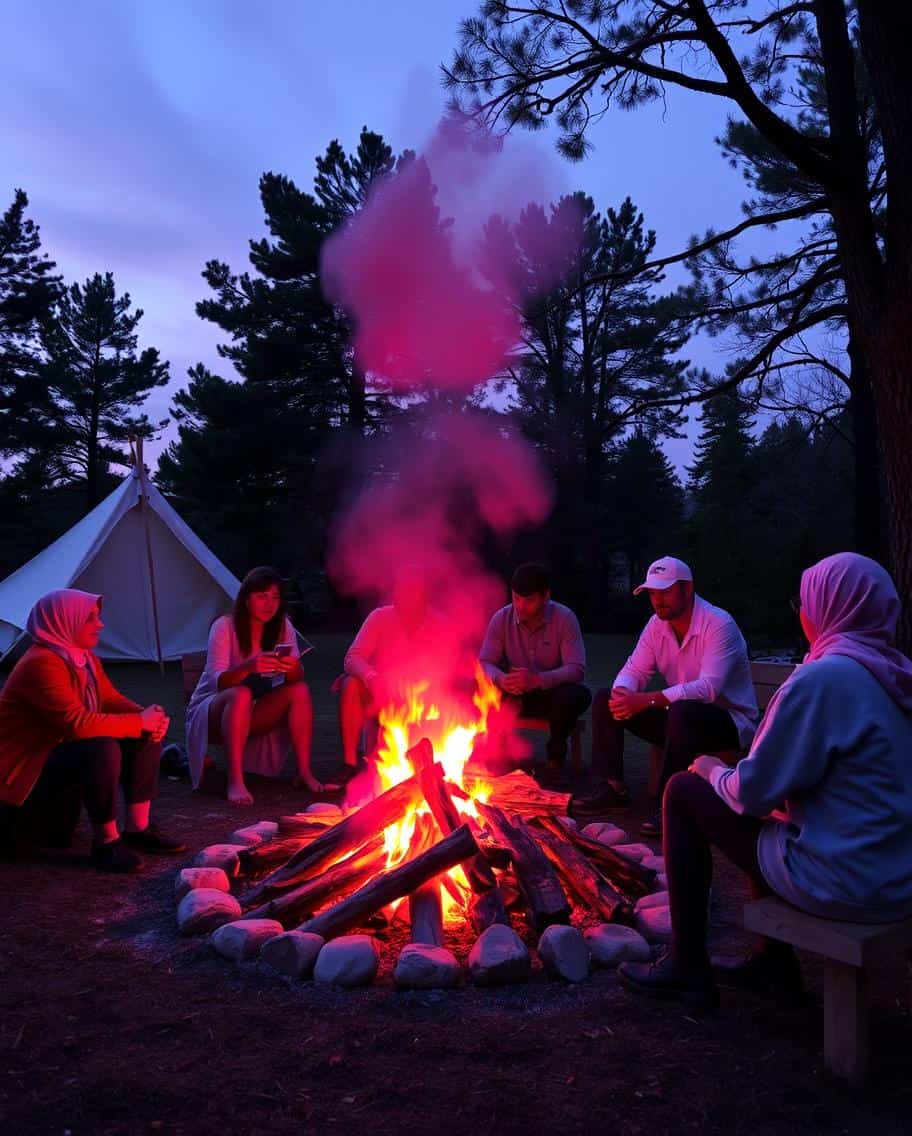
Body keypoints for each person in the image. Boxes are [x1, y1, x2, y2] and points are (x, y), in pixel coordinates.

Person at [618, 552, 912, 1012]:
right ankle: (773, 964)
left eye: (805, 600)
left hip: (845, 880)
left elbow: (752, 793)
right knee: (771, 813)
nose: (801, 611)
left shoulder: (823, 679)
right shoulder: (894, 675)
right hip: (895, 874)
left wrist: (711, 769)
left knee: (682, 791)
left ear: (834, 606)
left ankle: (687, 968)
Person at [0, 589, 185, 873]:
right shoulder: (40, 663)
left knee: (142, 736)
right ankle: (106, 844)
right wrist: (139, 721)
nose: (100, 624)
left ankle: (138, 829)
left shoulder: (83, 657)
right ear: (64, 621)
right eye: (90, 618)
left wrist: (146, 716)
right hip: (22, 779)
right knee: (100, 747)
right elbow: (77, 723)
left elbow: (108, 699)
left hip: (52, 760)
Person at [572, 556, 758, 837]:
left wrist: (647, 699)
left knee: (683, 711)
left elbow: (708, 689)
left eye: (665, 591)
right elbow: (635, 668)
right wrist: (623, 692)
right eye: (653, 593)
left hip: (728, 723)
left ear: (687, 588)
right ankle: (613, 788)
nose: (658, 600)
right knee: (606, 698)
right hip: (680, 721)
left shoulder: (719, 624)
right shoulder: (657, 625)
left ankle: (669, 805)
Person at [186, 566, 331, 805]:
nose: (269, 604)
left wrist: (291, 666)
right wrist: (250, 667)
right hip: (211, 711)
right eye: (262, 596)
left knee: (299, 690)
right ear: (245, 599)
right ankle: (235, 780)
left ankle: (304, 771)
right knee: (240, 693)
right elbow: (218, 682)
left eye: (275, 597)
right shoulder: (224, 626)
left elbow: (297, 677)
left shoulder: (282, 627)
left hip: (254, 709)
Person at [479, 563, 591, 788]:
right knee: (480, 688)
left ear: (545, 596)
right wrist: (501, 679)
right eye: (516, 598)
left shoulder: (564, 618)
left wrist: (538, 680)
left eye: (529, 600)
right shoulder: (501, 619)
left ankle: (554, 762)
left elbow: (577, 668)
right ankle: (497, 756)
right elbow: (485, 662)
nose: (520, 606)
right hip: (514, 693)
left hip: (550, 695)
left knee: (574, 695)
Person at [337, 565, 448, 776]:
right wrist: (371, 677)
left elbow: (449, 672)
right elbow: (352, 658)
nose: (407, 597)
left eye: (414, 591)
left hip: (424, 703)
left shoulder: (440, 625)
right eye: (401, 590)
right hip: (381, 695)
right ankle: (349, 765)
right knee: (350, 684)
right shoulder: (380, 618)